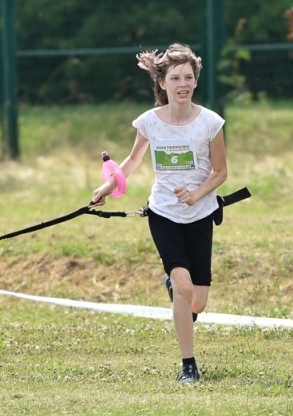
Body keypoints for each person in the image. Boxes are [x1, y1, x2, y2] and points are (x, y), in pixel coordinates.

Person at [93, 43, 228, 383]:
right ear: (162, 83)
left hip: (200, 215)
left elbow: (220, 172)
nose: (182, 83)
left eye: (188, 77)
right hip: (163, 213)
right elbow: (133, 161)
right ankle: (188, 366)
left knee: (197, 301)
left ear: (195, 82)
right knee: (182, 286)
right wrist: (108, 187)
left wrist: (196, 194)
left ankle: (179, 295)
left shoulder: (210, 122)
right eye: (175, 77)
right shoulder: (150, 122)